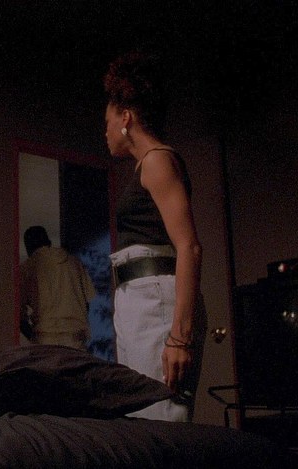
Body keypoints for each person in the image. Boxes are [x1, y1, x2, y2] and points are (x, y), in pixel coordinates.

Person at [103, 51, 207, 422]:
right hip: (139, 299)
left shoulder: (158, 160)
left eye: (107, 122)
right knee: (141, 422)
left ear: (126, 118)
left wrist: (179, 337)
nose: (105, 132)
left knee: (161, 422)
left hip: (157, 302)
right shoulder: (145, 166)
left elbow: (189, 246)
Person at [20, 226, 95, 350]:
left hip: (44, 338)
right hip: (75, 338)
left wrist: (33, 337)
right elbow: (87, 301)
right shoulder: (74, 263)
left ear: (28, 247)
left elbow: (19, 315)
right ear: (48, 242)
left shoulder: (27, 268)